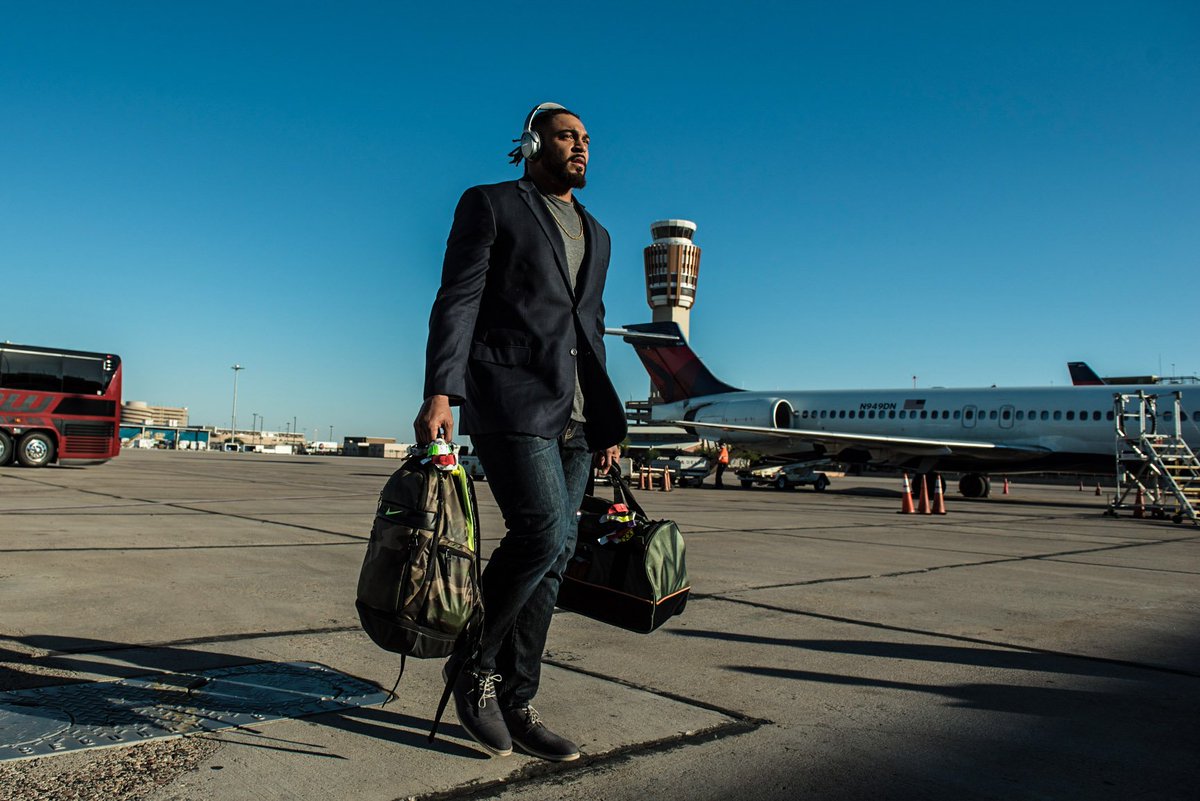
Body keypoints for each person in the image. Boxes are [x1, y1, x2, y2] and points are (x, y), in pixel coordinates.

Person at [414, 102, 626, 762]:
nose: (581, 147)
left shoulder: (600, 234)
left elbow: (587, 329)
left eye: (586, 139)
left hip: (577, 414)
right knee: (541, 531)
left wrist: (605, 416)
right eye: (568, 136)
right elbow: (459, 299)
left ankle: (518, 698)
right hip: (509, 397)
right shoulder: (491, 204)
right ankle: (471, 665)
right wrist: (440, 391)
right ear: (533, 143)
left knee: (558, 556)